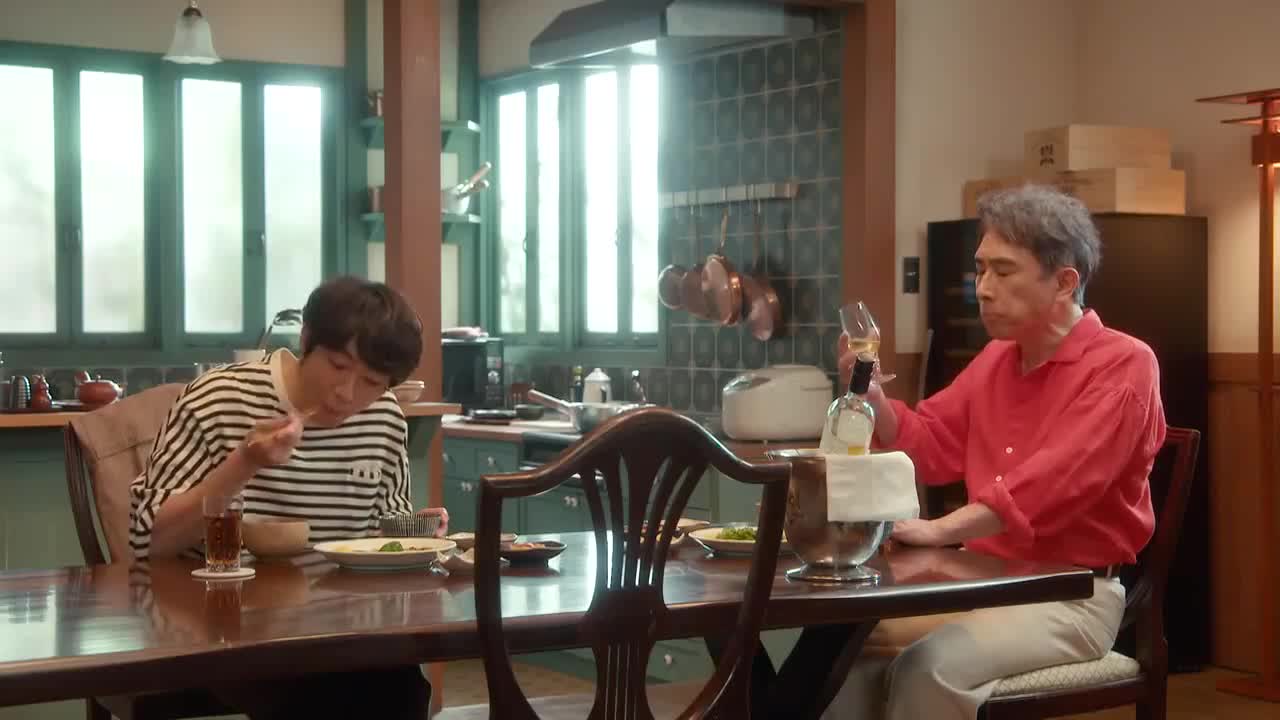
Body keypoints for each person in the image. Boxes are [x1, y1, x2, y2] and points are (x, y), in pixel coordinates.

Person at [825, 185, 1167, 720]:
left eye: (1003, 272)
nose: (983, 289)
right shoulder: (997, 358)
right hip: (982, 580)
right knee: (842, 651)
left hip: (1073, 598)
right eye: (981, 270)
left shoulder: (1125, 363)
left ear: (1064, 282)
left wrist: (940, 529)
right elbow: (931, 443)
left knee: (929, 666)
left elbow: (1051, 484)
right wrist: (873, 400)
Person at [129, 275, 447, 720]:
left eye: (371, 381)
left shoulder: (384, 418)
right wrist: (245, 461)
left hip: (344, 631)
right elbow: (151, 540)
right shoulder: (219, 399)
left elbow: (383, 536)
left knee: (401, 689)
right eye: (337, 366)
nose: (346, 394)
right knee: (316, 697)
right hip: (223, 627)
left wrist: (415, 534)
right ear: (306, 339)